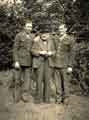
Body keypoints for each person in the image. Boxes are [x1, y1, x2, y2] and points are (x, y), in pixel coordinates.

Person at [13, 21, 34, 102]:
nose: (29, 28)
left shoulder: (33, 36)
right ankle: (16, 97)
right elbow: (15, 49)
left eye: (31, 27)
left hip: (29, 62)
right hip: (19, 62)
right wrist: (16, 61)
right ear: (24, 27)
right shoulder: (19, 35)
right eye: (28, 26)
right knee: (17, 80)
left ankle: (25, 97)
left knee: (27, 81)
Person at [31, 33, 56, 103]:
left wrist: (51, 53)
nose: (44, 35)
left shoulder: (51, 42)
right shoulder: (36, 41)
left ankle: (47, 99)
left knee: (47, 81)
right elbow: (32, 51)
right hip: (39, 64)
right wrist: (40, 52)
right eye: (43, 34)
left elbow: (54, 51)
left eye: (46, 34)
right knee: (39, 81)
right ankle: (38, 99)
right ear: (41, 35)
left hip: (48, 64)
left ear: (48, 34)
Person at [54, 24, 75, 103]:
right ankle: (58, 98)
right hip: (56, 64)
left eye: (62, 29)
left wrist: (70, 65)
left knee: (65, 83)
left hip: (65, 65)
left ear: (66, 29)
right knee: (57, 83)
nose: (60, 30)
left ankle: (66, 98)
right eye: (59, 29)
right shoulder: (56, 38)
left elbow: (72, 53)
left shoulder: (70, 39)